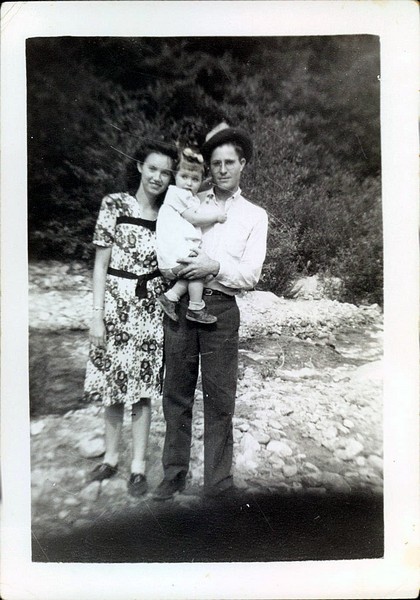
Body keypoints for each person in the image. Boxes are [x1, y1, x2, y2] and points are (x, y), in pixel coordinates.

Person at [153, 123, 268, 501]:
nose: (221, 169)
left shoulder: (254, 215)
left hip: (221, 308)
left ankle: (218, 484)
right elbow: (165, 236)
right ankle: (173, 476)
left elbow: (250, 274)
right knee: (176, 393)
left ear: (242, 164)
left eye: (229, 162)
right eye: (215, 163)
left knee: (220, 398)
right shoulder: (189, 200)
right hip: (181, 303)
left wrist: (214, 266)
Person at [84, 140, 177, 497]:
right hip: (115, 306)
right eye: (152, 168)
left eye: (165, 172)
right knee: (112, 387)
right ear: (139, 166)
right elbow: (100, 266)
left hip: (150, 310)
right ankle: (110, 458)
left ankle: (137, 466)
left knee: (142, 391)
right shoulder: (114, 204)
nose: (157, 177)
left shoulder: (169, 214)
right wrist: (97, 317)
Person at [156, 147, 227, 325]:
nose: (189, 183)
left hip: (173, 258)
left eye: (195, 179)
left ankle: (170, 297)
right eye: (184, 177)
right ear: (175, 176)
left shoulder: (188, 196)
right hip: (172, 256)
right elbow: (194, 219)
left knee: (195, 271)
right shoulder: (176, 193)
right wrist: (217, 217)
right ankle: (195, 307)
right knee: (198, 269)